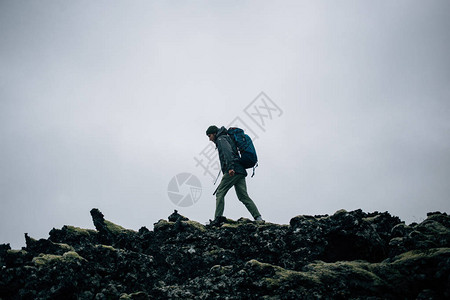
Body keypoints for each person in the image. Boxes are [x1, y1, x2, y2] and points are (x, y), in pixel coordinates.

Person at [206, 125, 264, 224]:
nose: (209, 139)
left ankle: (218, 218)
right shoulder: (226, 138)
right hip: (240, 170)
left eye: (209, 136)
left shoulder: (221, 139)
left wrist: (230, 167)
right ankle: (258, 218)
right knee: (243, 196)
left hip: (233, 170)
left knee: (220, 192)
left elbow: (227, 153)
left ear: (214, 133)